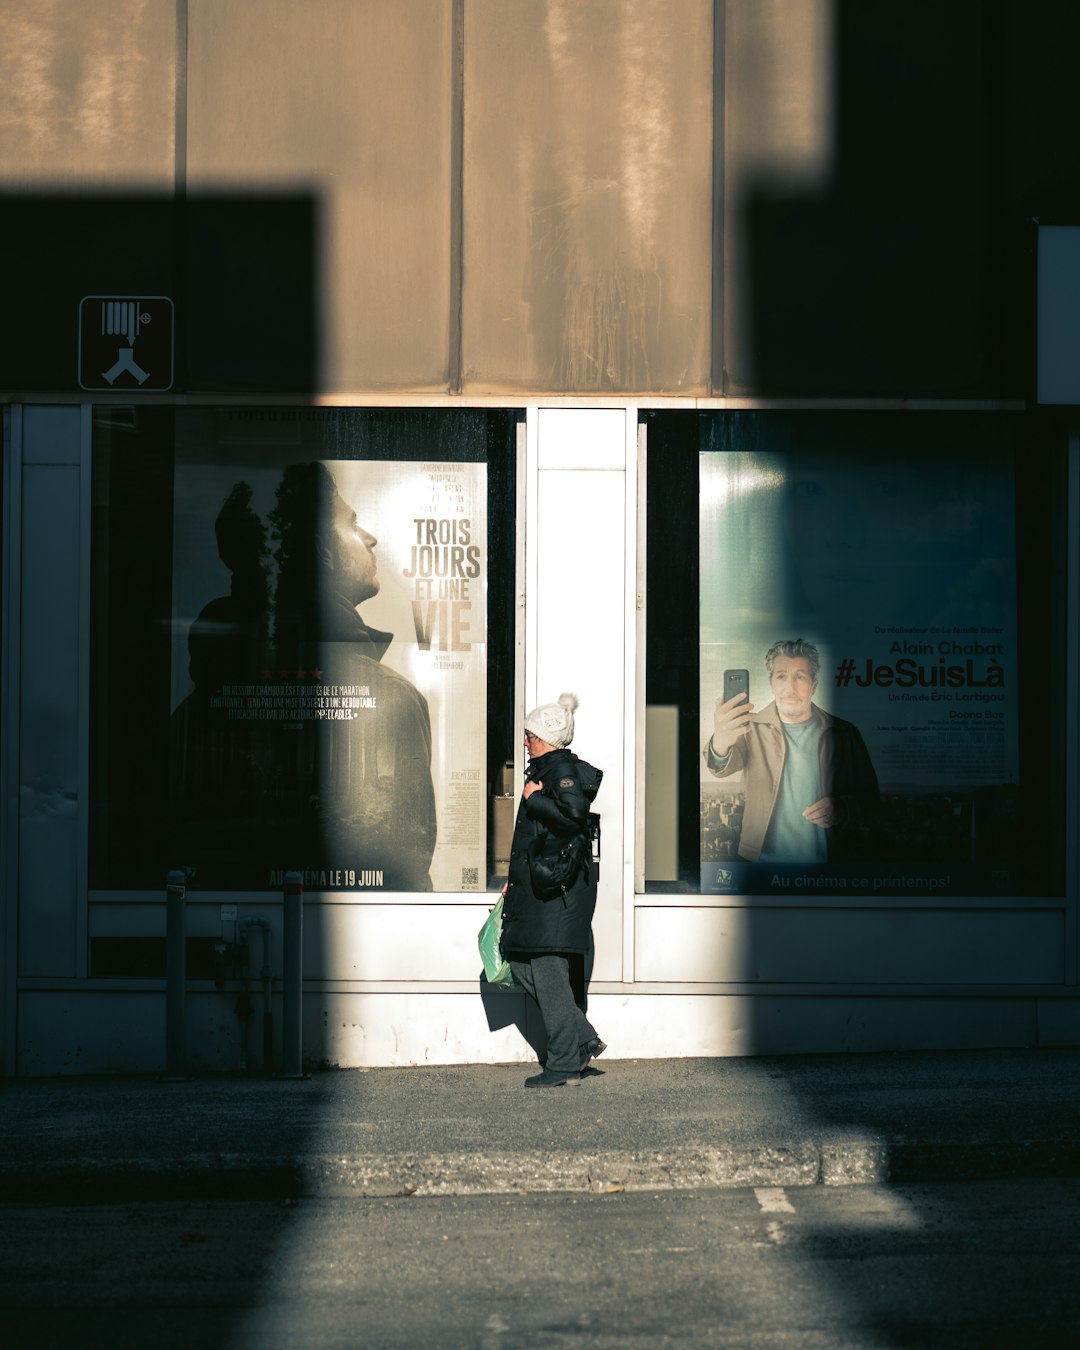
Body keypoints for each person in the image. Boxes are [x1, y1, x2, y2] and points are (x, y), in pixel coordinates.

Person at [269, 461, 437, 890]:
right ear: (323, 550)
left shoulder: (229, 689)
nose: (371, 538)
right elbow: (412, 857)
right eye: (353, 524)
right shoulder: (394, 697)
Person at [500, 692, 606, 1087]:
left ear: (544, 737)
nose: (525, 741)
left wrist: (536, 799)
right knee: (523, 964)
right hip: (542, 889)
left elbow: (574, 816)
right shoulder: (547, 765)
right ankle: (581, 1042)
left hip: (556, 893)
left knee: (546, 972)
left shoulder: (559, 767)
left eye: (529, 734)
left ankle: (563, 1063)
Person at [704, 638, 878, 864]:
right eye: (781, 676)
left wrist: (843, 809)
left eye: (800, 676)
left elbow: (872, 804)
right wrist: (721, 740)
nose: (790, 688)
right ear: (771, 683)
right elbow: (720, 768)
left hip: (831, 865)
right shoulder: (748, 729)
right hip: (761, 863)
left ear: (814, 684)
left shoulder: (845, 733)